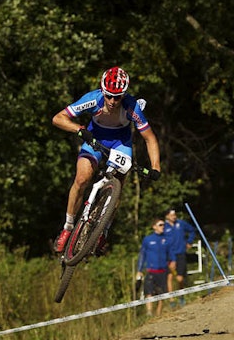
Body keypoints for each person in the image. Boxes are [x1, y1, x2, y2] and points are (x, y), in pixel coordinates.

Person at [51, 66, 162, 254]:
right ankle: (68, 228)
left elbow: (149, 138)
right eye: (109, 95)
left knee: (118, 186)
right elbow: (58, 118)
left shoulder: (132, 106)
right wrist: (79, 129)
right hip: (95, 138)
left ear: (124, 95)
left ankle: (104, 231)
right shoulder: (93, 99)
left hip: (121, 142)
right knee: (82, 178)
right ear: (103, 91)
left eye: (117, 97)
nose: (112, 101)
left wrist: (156, 167)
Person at [136, 219, 172, 316]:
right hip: (151, 270)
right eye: (160, 225)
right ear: (154, 227)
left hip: (163, 270)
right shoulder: (148, 240)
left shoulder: (167, 240)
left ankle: (158, 315)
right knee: (149, 291)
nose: (162, 227)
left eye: (163, 225)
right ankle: (149, 312)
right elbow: (142, 255)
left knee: (161, 294)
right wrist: (139, 270)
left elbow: (171, 254)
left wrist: (172, 264)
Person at [162, 207, 197, 294]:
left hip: (181, 253)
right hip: (169, 255)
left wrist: (189, 241)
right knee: (169, 277)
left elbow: (192, 230)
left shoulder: (181, 223)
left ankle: (181, 295)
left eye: (174, 215)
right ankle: (171, 300)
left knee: (180, 277)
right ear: (167, 216)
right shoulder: (163, 227)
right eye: (171, 215)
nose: (174, 217)